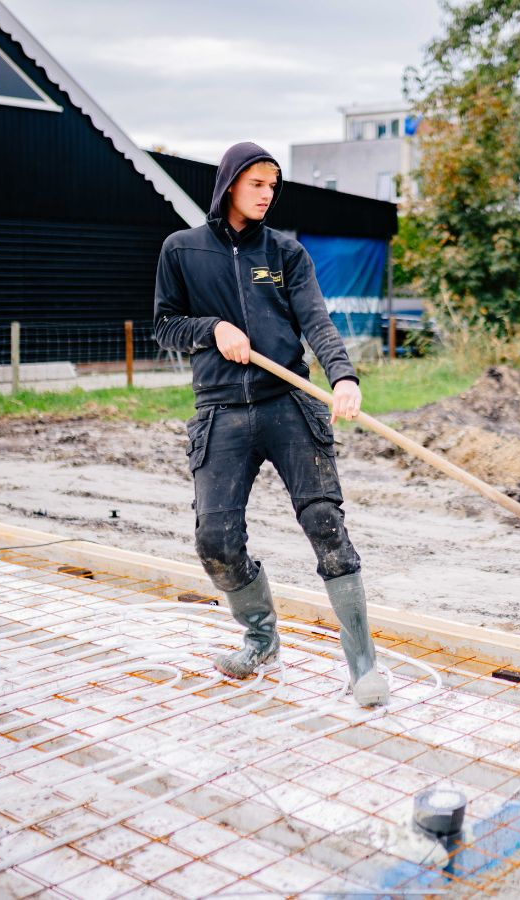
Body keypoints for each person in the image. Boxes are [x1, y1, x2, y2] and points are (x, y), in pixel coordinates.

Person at [153, 142, 389, 707]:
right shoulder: (182, 249)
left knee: (327, 526)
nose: (266, 194)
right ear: (230, 183)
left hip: (287, 400)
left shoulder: (285, 251)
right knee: (216, 541)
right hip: (220, 412)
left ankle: (363, 666)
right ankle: (260, 639)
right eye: (256, 183)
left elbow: (316, 319)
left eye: (272, 185)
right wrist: (211, 328)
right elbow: (164, 325)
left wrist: (344, 377)